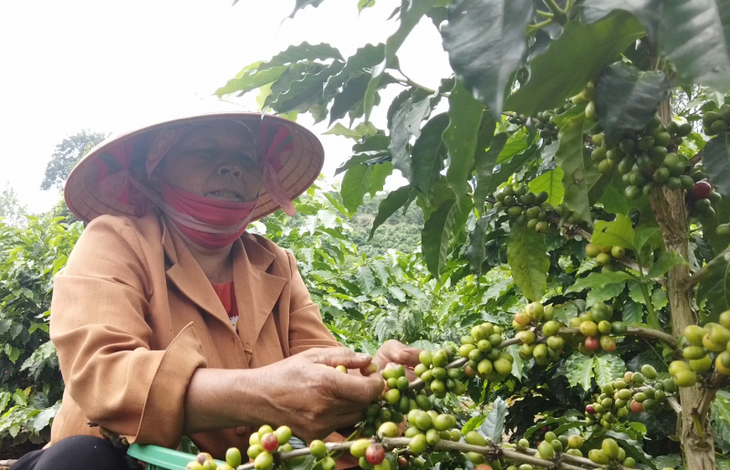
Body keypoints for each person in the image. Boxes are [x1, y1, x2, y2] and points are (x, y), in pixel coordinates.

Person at [11, 112, 420, 470]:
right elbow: (102, 375)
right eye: (205, 151)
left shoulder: (276, 263)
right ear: (158, 167)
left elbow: (320, 370)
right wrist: (261, 392)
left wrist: (371, 378)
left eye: (245, 157)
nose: (230, 167)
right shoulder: (115, 241)